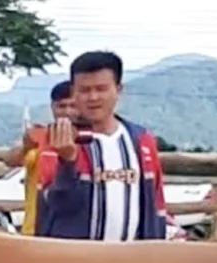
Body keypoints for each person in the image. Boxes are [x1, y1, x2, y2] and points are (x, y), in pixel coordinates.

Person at [35, 50, 175, 242]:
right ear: (74, 93)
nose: (93, 97)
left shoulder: (142, 140)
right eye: (84, 90)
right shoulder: (59, 139)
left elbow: (156, 203)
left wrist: (156, 247)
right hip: (74, 257)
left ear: (118, 89)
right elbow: (54, 207)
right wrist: (68, 162)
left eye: (101, 89)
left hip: (133, 256)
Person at [16, 81, 74, 236]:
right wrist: (26, 146)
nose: (67, 112)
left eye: (72, 106)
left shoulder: (89, 139)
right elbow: (11, 160)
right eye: (61, 106)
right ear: (52, 107)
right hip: (34, 228)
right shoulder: (39, 134)